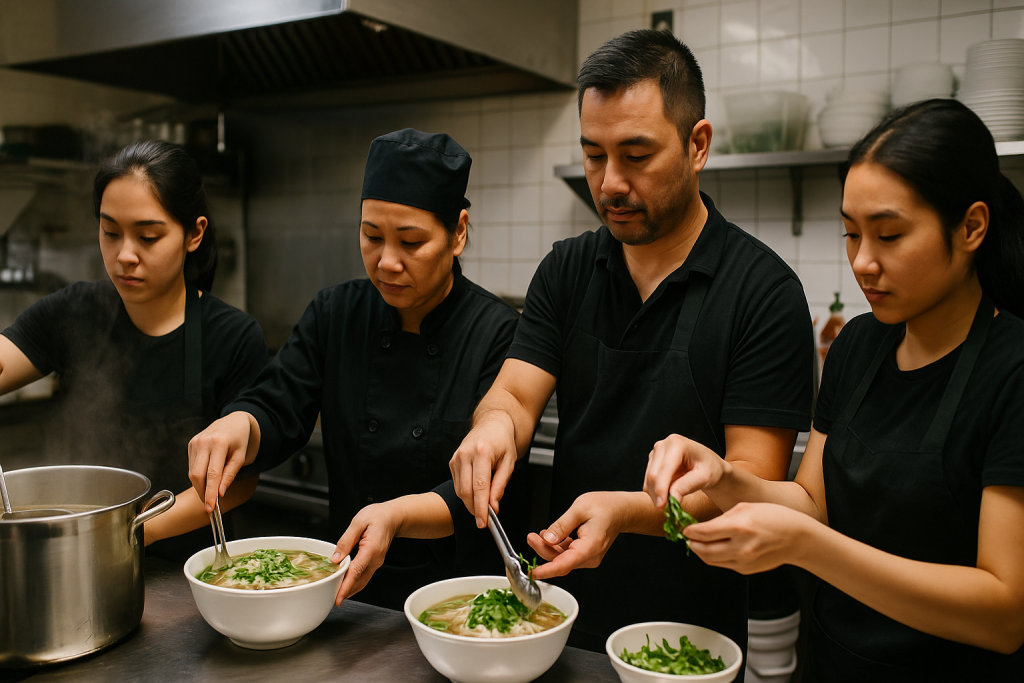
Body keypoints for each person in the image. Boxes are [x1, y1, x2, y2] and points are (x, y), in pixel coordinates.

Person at [449, 29, 814, 655]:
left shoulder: (763, 292)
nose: (610, 182)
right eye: (594, 155)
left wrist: (625, 513)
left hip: (691, 639)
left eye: (636, 155)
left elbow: (748, 483)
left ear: (697, 145)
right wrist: (491, 428)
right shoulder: (566, 270)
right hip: (560, 620)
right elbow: (513, 392)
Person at [644, 99, 1024, 681]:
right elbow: (812, 503)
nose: (863, 263)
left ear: (971, 226)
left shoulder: (1012, 370)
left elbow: (1003, 613)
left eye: (890, 235)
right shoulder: (857, 346)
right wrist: (725, 478)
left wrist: (807, 545)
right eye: (851, 234)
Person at [187, 129, 522, 610]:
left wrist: (397, 516)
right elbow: (278, 403)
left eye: (410, 242)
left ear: (459, 233)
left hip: (458, 604)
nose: (387, 262)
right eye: (371, 237)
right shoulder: (335, 312)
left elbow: (486, 487)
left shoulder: (497, 332)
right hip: (347, 599)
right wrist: (239, 424)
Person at [0, 140, 268, 558]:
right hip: (77, 562)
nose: (125, 255)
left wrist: (130, 534)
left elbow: (240, 482)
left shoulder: (232, 336)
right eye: (110, 232)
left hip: (188, 575)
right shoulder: (73, 312)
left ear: (194, 234)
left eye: (147, 236)